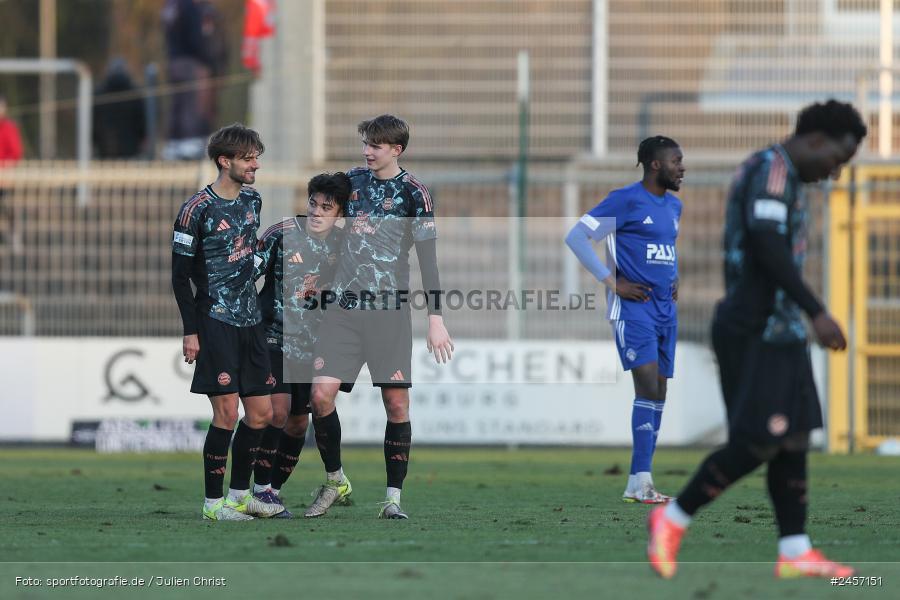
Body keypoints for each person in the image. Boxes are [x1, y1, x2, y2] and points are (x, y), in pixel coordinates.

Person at [646, 100, 867, 579]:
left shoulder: (784, 175)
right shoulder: (771, 169)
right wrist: (817, 311)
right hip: (755, 327)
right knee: (760, 440)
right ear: (814, 141)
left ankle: (795, 550)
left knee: (795, 438)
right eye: (835, 160)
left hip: (780, 328)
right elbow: (766, 245)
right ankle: (672, 517)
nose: (833, 173)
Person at [306, 114, 454, 519]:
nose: (367, 151)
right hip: (343, 310)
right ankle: (336, 479)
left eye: (375, 145)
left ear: (396, 149)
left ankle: (392, 499)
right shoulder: (350, 181)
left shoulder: (414, 194)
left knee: (396, 406)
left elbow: (428, 261)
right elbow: (321, 211)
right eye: (366, 144)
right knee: (319, 395)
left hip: (389, 315)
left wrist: (436, 318)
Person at [171, 123, 283, 520]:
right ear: (225, 160)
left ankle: (239, 496)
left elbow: (248, 255)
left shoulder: (253, 201)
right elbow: (179, 275)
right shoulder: (195, 210)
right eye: (249, 157)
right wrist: (191, 330)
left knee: (262, 414)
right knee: (225, 414)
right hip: (214, 320)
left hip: (251, 320)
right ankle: (213, 504)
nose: (256, 164)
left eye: (256, 157)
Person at [565, 136, 684, 504]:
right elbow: (577, 237)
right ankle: (642, 479)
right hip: (633, 309)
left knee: (659, 391)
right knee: (647, 386)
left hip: (666, 308)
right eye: (676, 161)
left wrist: (673, 275)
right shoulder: (626, 199)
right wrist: (612, 282)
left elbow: (662, 249)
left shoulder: (675, 206)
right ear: (655, 165)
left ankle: (637, 480)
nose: (683, 167)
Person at [250, 173, 355, 517]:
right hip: (273, 336)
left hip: (315, 346)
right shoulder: (281, 234)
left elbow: (356, 293)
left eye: (327, 206)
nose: (317, 211)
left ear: (339, 213)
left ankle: (273, 492)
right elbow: (247, 275)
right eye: (313, 202)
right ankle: (259, 490)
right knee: (276, 413)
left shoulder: (345, 246)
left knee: (297, 424)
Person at [93, 58, 146, 159]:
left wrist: (94, 141)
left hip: (104, 149)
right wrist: (142, 138)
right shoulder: (135, 92)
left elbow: (92, 122)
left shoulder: (98, 93)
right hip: (131, 149)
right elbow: (142, 120)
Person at [0, 94, 23, 251]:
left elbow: (15, 152)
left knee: (7, 207)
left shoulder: (9, 128)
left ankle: (14, 237)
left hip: (4, 177)